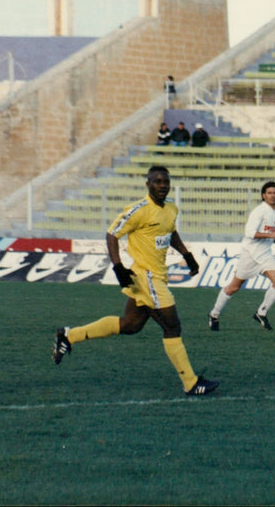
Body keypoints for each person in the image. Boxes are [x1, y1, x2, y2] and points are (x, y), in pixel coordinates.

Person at [52, 166, 219, 396]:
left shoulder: (171, 208)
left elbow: (170, 233)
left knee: (130, 325)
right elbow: (112, 234)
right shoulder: (139, 210)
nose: (162, 185)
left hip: (156, 276)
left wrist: (187, 256)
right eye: (157, 181)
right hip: (146, 277)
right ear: (148, 184)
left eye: (165, 182)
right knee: (172, 326)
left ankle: (69, 335)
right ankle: (191, 383)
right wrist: (118, 266)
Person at [208, 181, 275, 332]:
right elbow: (249, 233)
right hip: (250, 254)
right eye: (269, 193)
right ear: (263, 195)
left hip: (265, 254)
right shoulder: (259, 211)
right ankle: (214, 314)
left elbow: (270, 232)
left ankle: (261, 313)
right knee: (234, 287)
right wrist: (271, 234)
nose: (273, 195)